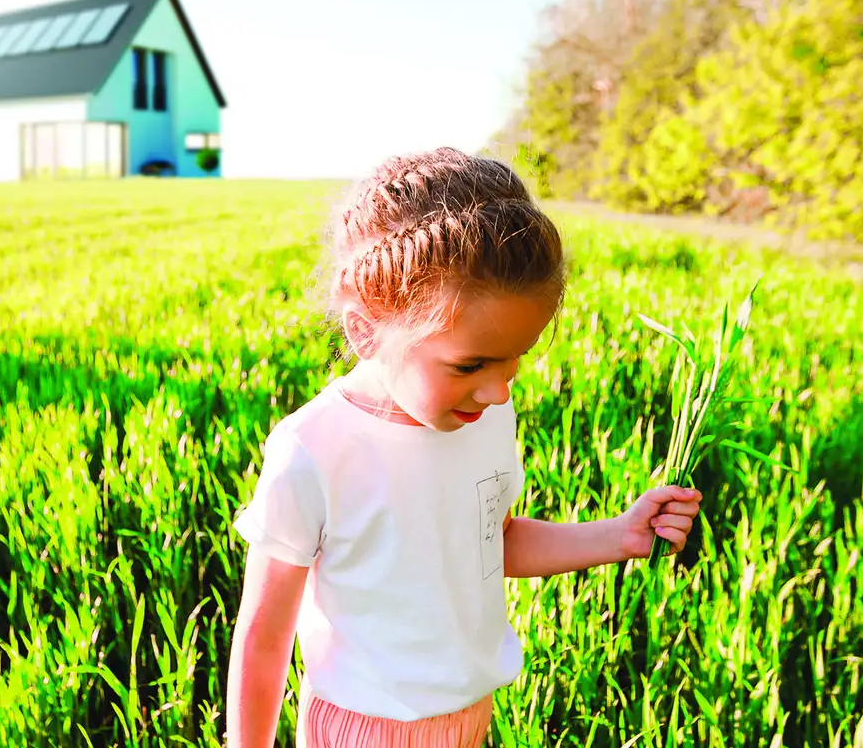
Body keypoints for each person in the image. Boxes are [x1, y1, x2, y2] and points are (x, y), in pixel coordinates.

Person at [225, 148, 705, 748]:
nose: (499, 388)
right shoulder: (315, 450)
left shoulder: (482, 413)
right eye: (470, 363)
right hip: (365, 729)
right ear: (366, 331)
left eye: (516, 359)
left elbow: (491, 541)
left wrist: (619, 535)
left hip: (467, 716)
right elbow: (264, 636)